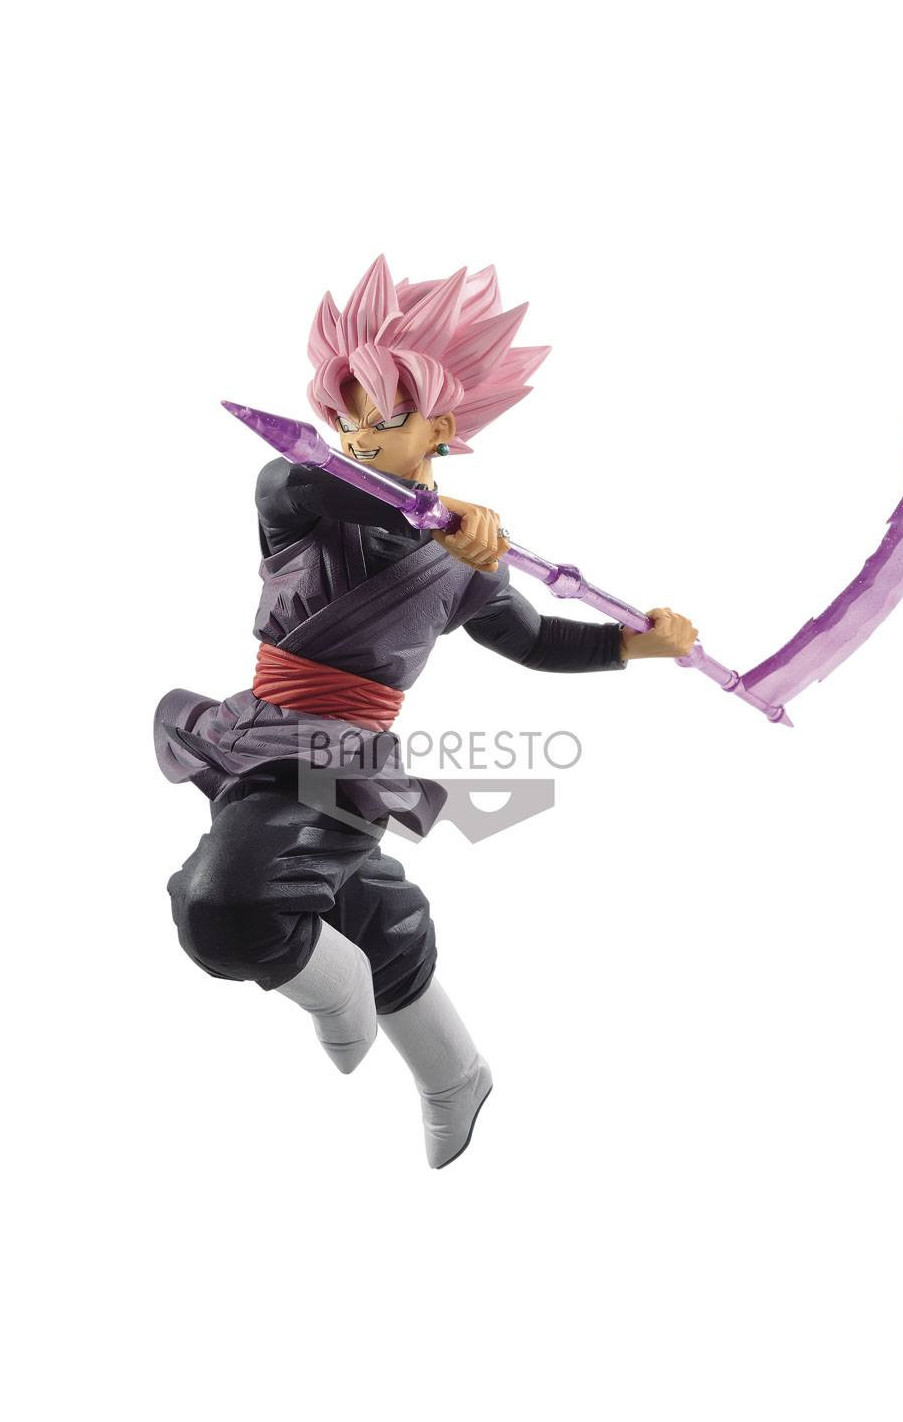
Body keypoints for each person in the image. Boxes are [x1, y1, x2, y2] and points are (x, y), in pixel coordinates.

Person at [155, 256, 698, 1167]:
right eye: (348, 417)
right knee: (330, 904)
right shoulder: (297, 496)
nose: (359, 436)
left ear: (439, 428)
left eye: (386, 419)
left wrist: (629, 646)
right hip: (260, 731)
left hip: (345, 755)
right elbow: (309, 479)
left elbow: (532, 639)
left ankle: (398, 1036)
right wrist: (432, 517)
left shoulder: (467, 559)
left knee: (228, 907)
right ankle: (439, 1063)